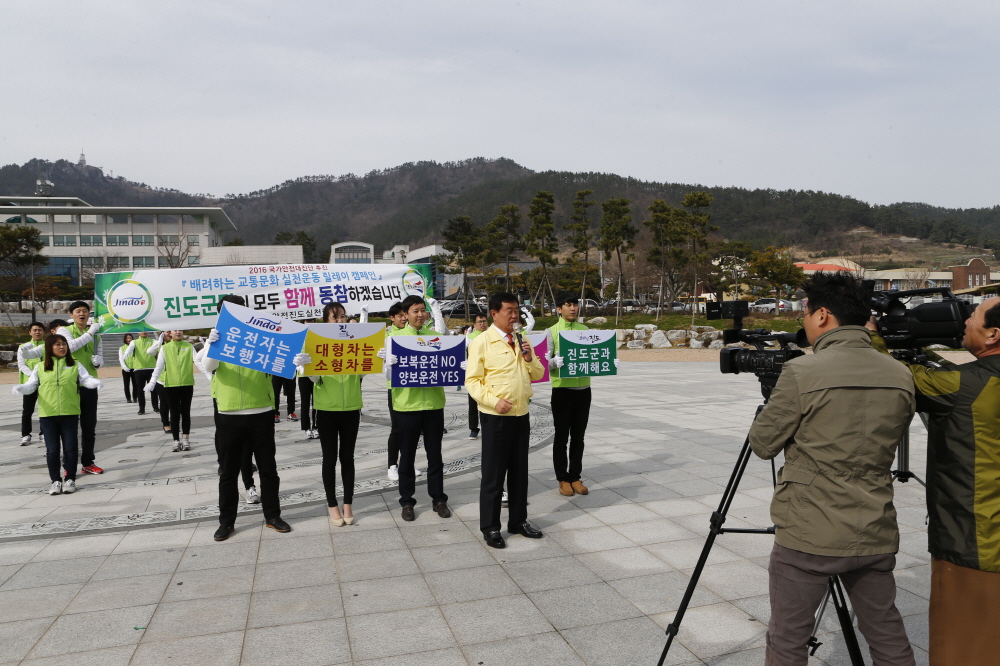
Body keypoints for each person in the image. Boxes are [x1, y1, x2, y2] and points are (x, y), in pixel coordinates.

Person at [748, 272, 916, 666]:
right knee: (887, 635)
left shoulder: (803, 372)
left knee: (788, 637)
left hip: (809, 533)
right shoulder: (900, 374)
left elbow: (763, 443)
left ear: (822, 315)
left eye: (805, 312)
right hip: (873, 526)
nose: (804, 321)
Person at [871, 295, 1000, 665]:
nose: (964, 321)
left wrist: (872, 338)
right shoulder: (973, 380)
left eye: (972, 316)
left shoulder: (965, 386)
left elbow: (893, 377)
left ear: (993, 334)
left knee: (965, 647)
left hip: (975, 542)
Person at [198, 295, 297, 541]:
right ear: (220, 314)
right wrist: (213, 344)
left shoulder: (262, 335)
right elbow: (209, 367)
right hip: (228, 413)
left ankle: (272, 516)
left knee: (268, 469)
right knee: (228, 472)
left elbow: (282, 361)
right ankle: (226, 522)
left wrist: (296, 360)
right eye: (227, 312)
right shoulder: (216, 336)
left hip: (261, 409)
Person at [466, 292, 546, 549]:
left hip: (521, 415)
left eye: (517, 311)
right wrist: (493, 401)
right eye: (509, 311)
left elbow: (538, 372)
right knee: (493, 475)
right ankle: (490, 527)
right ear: (494, 314)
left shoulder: (523, 340)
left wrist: (528, 357)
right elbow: (473, 381)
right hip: (495, 417)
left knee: (519, 472)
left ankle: (518, 521)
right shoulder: (482, 342)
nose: (515, 316)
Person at [382, 294, 450, 521]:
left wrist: (459, 365)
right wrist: (388, 366)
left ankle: (439, 499)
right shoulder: (395, 338)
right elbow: (388, 377)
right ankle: (407, 501)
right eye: (415, 311)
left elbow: (446, 366)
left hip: (433, 404)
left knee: (435, 455)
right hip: (406, 405)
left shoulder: (436, 337)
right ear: (405, 315)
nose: (420, 314)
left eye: (423, 310)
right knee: (407, 456)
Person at [12, 334, 102, 495]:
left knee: (70, 448)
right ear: (49, 348)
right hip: (48, 416)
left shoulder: (74, 364)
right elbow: (31, 386)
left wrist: (93, 383)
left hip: (70, 414)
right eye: (58, 344)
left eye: (64, 344)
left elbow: (86, 379)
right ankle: (55, 481)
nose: (62, 347)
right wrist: (22, 388)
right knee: (52, 450)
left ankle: (70, 479)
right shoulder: (40, 367)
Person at [22, 302, 104, 475]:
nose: (82, 314)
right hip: (69, 385)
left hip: (89, 384)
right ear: (71, 314)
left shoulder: (97, 335)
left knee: (89, 427)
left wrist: (98, 362)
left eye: (85, 311)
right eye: (78, 311)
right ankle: (68, 466)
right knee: (69, 429)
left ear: (89, 314)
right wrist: (90, 332)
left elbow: (100, 356)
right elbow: (71, 346)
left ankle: (88, 462)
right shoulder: (64, 331)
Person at [301, 302, 361, 527]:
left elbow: (364, 371)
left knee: (348, 458)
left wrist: (378, 356)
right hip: (326, 409)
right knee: (329, 459)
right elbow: (316, 379)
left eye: (342, 317)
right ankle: (332, 504)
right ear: (325, 320)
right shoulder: (317, 341)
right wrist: (308, 369)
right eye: (334, 318)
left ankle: (348, 504)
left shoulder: (356, 341)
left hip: (352, 408)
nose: (339, 321)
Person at [546, 293, 599, 497]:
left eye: (575, 305)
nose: (573, 308)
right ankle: (563, 478)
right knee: (561, 437)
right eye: (568, 305)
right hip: (562, 392)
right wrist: (553, 362)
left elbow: (594, 355)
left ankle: (575, 476)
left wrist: (609, 362)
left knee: (579, 437)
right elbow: (541, 364)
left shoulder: (584, 330)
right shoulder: (551, 332)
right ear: (559, 309)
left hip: (584, 391)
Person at [146, 330, 195, 452]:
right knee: (174, 413)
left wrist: (209, 375)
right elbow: (159, 366)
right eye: (175, 330)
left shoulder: (189, 346)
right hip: (170, 385)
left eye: (180, 330)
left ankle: (186, 439)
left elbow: (198, 361)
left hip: (187, 384)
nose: (178, 332)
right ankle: (176, 441)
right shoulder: (165, 348)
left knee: (186, 412)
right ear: (170, 333)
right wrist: (152, 381)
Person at [16, 322, 46, 445]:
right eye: (35, 330)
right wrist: (33, 376)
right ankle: (26, 434)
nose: (37, 332)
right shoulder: (22, 347)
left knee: (45, 408)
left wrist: (41, 377)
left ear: (43, 332)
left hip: (44, 382)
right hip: (29, 383)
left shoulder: (47, 346)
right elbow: (21, 365)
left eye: (40, 330)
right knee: (27, 410)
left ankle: (43, 433)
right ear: (30, 332)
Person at [122, 331, 161, 415]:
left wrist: (160, 340)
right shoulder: (134, 342)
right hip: (139, 369)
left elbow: (158, 344)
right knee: (140, 390)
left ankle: (156, 407)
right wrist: (126, 354)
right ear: (138, 333)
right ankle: (142, 409)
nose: (144, 332)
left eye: (146, 331)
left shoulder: (152, 341)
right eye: (141, 331)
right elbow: (129, 349)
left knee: (153, 389)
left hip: (151, 368)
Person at [466, 314, 489, 439]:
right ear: (474, 324)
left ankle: (487, 427)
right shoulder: (469, 338)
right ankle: (474, 428)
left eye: (484, 321)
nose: (482, 324)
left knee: (488, 402)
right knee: (473, 403)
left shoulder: (491, 335)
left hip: (489, 374)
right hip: (474, 374)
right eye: (479, 322)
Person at [118, 333, 136, 403]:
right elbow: (121, 358)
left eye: (130, 338)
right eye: (127, 338)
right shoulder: (122, 348)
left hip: (134, 368)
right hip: (125, 369)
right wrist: (124, 367)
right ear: (125, 339)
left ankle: (135, 397)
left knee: (135, 384)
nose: (129, 339)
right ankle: (128, 398)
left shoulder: (134, 347)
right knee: (126, 384)